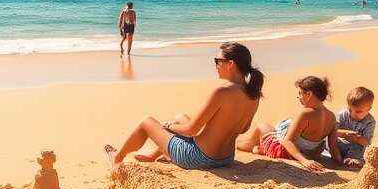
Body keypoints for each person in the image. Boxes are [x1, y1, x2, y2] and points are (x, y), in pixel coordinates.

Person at [104, 42, 264, 170]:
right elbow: (243, 129)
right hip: (226, 159)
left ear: (230, 64)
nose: (216, 65)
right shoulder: (253, 93)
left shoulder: (222, 91)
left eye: (218, 61)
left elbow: (191, 130)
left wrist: (169, 126)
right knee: (182, 117)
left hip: (197, 158)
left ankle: (117, 158)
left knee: (147, 122)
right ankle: (154, 155)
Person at [235, 75, 339, 173]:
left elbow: (287, 141)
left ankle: (239, 145)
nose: (298, 97)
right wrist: (341, 161)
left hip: (287, 153)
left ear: (309, 94)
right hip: (311, 154)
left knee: (261, 127)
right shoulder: (332, 117)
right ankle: (257, 148)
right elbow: (333, 147)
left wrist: (304, 161)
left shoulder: (305, 114)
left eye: (300, 93)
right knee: (268, 132)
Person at [332, 87, 377, 168]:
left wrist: (357, 138)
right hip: (339, 143)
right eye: (350, 109)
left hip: (354, 147)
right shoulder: (342, 114)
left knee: (358, 147)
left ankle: (353, 160)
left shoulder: (370, 122)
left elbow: (366, 142)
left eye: (358, 111)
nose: (353, 114)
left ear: (369, 109)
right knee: (330, 140)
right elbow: (331, 132)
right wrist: (344, 134)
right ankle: (336, 157)